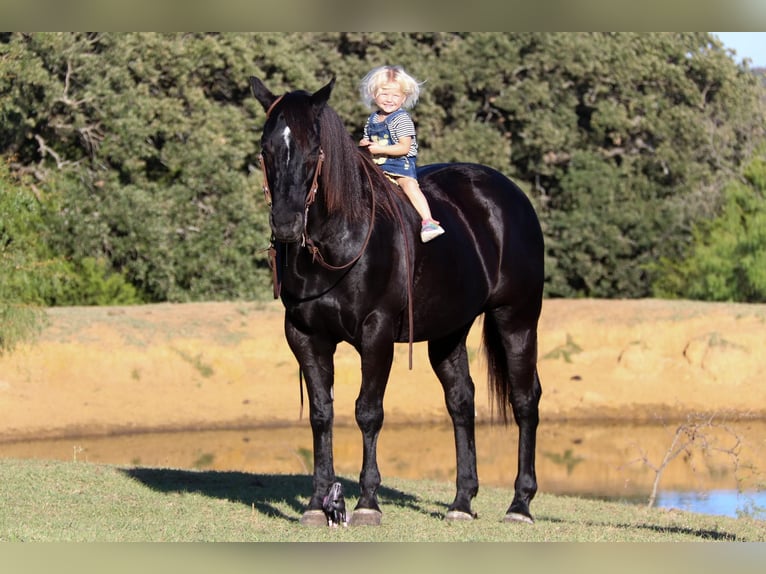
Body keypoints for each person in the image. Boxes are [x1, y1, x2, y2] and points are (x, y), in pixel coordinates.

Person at [358, 65, 445, 243]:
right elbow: (367, 138)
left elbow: (404, 147)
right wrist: (363, 143)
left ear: (403, 98)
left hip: (400, 165)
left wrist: (380, 149)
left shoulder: (401, 119)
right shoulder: (373, 119)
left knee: (409, 186)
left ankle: (428, 221)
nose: (389, 99)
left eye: (395, 95)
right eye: (384, 94)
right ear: (374, 94)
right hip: (378, 166)